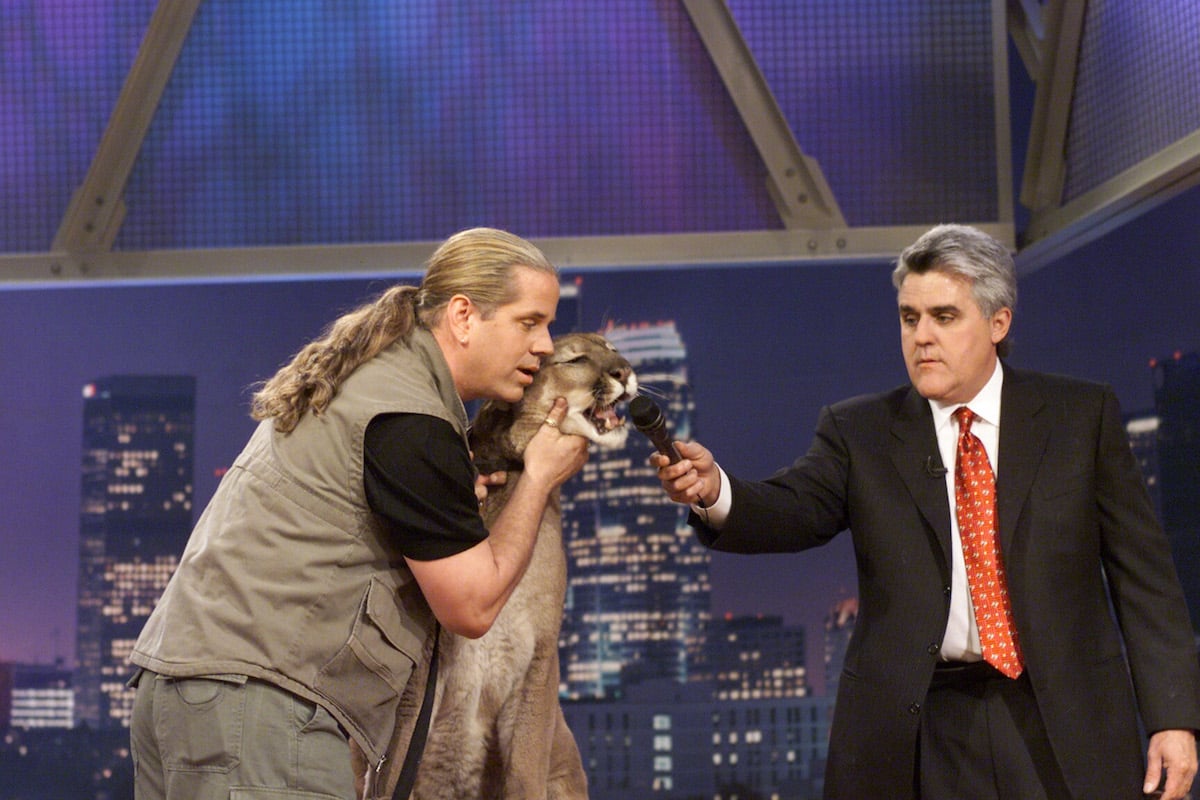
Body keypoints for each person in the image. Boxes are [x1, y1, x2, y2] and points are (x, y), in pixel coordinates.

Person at [654, 224, 1200, 799]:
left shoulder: (1081, 416)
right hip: (919, 727)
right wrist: (715, 490)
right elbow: (792, 510)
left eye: (944, 317)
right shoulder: (858, 431)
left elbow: (1146, 579)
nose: (921, 337)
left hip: (1061, 715)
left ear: (998, 323)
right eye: (909, 318)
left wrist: (1173, 717)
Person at [128, 227, 590, 800]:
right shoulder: (411, 416)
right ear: (465, 316)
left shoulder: (378, 383)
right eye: (529, 322)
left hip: (191, 695)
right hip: (262, 713)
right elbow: (472, 607)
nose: (545, 345)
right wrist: (539, 478)